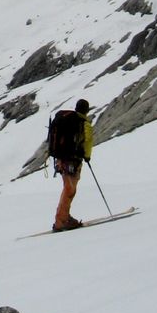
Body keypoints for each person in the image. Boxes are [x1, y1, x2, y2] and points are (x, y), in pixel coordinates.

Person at [53, 98, 93, 232]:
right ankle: (62, 220)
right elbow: (88, 141)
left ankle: (62, 218)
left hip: (61, 159)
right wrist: (87, 156)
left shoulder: (67, 118)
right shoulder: (83, 123)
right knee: (70, 189)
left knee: (67, 188)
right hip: (72, 160)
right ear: (86, 110)